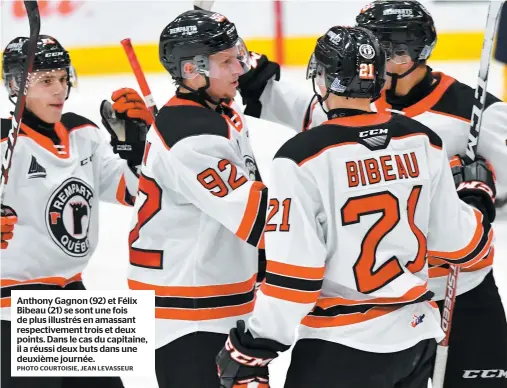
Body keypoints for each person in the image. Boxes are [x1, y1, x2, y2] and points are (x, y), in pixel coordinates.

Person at [236, 1, 507, 386]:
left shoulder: (477, 114)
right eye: (380, 51)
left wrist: (485, 193)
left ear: (421, 50)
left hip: (459, 287)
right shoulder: (364, 112)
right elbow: (296, 107)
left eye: (398, 50)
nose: (387, 60)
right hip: (401, 303)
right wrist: (248, 71)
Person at [125, 9, 268, 388]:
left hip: (214, 303)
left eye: (238, 54)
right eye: (226, 61)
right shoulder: (192, 135)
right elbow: (261, 221)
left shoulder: (216, 115)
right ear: (191, 70)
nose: (240, 67)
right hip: (191, 318)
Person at [0, 35, 151, 388]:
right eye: (46, 81)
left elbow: (132, 194)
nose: (59, 90)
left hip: (73, 295)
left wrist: (137, 153)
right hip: (14, 303)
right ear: (14, 85)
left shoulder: (82, 132)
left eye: (63, 78)